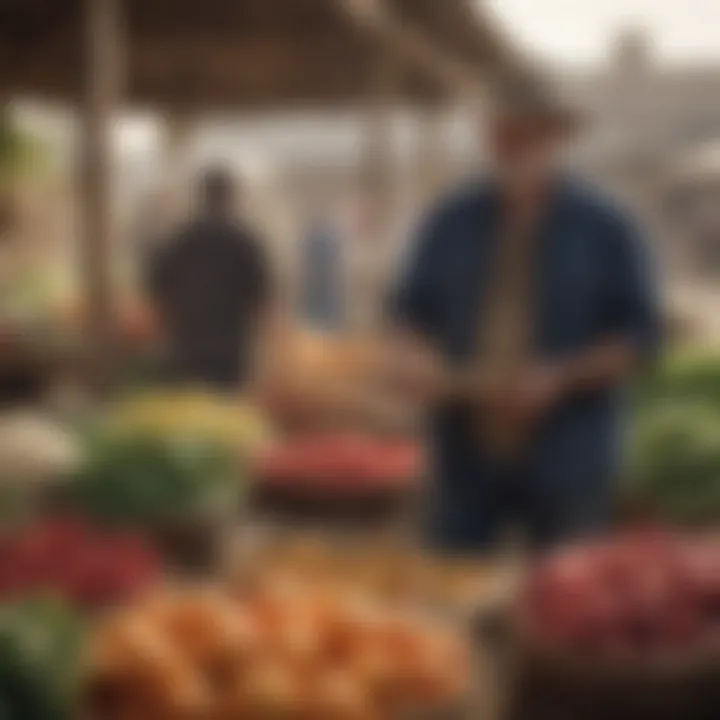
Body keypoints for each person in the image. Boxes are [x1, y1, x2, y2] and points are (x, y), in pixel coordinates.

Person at [390, 72, 661, 552]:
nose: (512, 147)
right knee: (454, 581)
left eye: (527, 135)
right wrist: (414, 357)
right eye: (503, 134)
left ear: (557, 138)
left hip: (568, 453)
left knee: (565, 593)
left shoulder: (606, 226)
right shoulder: (451, 219)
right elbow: (412, 309)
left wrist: (559, 378)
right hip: (465, 449)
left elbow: (640, 336)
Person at [146, 167, 272, 390]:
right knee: (224, 407)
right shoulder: (242, 241)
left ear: (202, 195)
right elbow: (261, 293)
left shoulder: (182, 239)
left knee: (191, 404)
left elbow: (157, 283)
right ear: (229, 197)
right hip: (229, 344)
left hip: (186, 341)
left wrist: (170, 317)